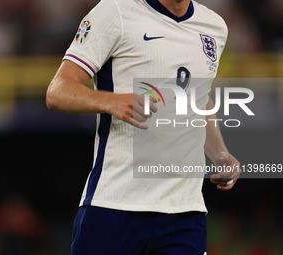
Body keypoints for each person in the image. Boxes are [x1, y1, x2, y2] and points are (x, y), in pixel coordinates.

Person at [46, 0, 241, 254]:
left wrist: (220, 153)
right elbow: (57, 92)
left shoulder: (214, 26)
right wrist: (111, 101)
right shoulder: (115, 11)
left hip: (184, 213)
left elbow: (197, 97)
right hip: (114, 205)